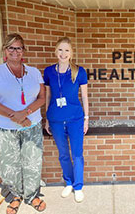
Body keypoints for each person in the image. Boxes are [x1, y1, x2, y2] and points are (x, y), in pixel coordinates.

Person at [0, 33, 46, 214]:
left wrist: (25, 114)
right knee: (8, 163)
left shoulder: (33, 72)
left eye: (18, 48)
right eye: (11, 47)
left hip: (31, 124)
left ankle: (32, 195)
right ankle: (14, 196)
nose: (15, 51)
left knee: (32, 161)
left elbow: (42, 98)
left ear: (23, 51)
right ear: (5, 50)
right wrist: (15, 116)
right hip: (5, 127)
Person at [44, 37, 89, 203]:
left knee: (77, 154)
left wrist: (86, 118)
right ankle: (68, 182)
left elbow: (84, 96)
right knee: (63, 154)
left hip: (75, 119)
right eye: (60, 50)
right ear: (56, 51)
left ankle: (78, 186)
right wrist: (47, 119)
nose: (63, 54)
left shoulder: (79, 71)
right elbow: (48, 95)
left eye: (67, 50)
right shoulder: (49, 71)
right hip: (55, 119)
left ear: (71, 53)